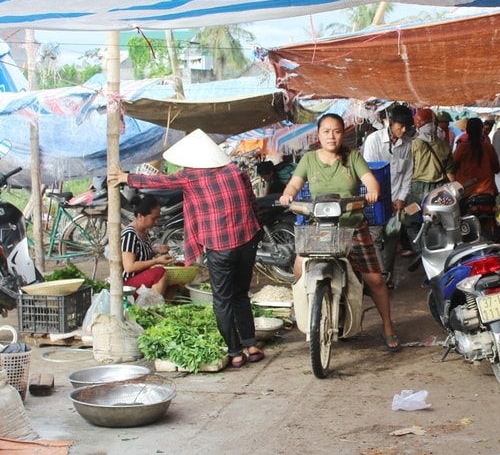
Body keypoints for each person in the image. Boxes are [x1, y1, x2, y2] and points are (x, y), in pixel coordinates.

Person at [110, 129, 265, 369]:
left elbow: (159, 182)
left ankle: (235, 353)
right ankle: (251, 345)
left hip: (219, 245)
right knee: (240, 294)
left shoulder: (191, 176)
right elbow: (252, 201)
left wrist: (126, 177)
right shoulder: (235, 170)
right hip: (247, 239)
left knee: (222, 300)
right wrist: (257, 230)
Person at [279, 113, 401, 352]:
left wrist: (373, 192)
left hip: (353, 226)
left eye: (336, 131)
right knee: (298, 266)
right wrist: (288, 194)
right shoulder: (309, 159)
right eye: (326, 131)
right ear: (319, 134)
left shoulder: (352, 157)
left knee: (375, 280)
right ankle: (305, 310)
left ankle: (388, 326)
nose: (331, 136)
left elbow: (370, 180)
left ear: (342, 133)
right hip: (320, 227)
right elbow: (294, 183)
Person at [361, 104, 414, 290]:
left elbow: (408, 174)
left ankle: (387, 276)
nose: (404, 130)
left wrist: (401, 198)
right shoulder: (373, 141)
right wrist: (381, 198)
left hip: (396, 204)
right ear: (390, 123)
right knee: (374, 239)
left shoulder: (407, 144)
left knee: (391, 240)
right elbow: (369, 173)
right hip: (376, 201)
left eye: (407, 127)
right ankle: (379, 280)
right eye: (400, 126)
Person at [405, 108, 456, 254]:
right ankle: (437, 249)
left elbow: (406, 171)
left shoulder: (412, 145)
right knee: (438, 221)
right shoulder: (444, 145)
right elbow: (450, 173)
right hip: (439, 190)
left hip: (416, 191)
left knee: (412, 221)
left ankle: (420, 251)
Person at [120, 194, 174, 299]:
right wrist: (156, 261)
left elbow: (140, 253)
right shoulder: (130, 234)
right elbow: (129, 267)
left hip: (142, 278)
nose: (156, 221)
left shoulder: (144, 231)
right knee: (159, 272)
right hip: (128, 285)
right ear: (140, 216)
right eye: (153, 218)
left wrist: (156, 250)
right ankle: (153, 307)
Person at [453, 117, 500, 196]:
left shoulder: (462, 147)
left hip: (466, 191)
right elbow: (497, 169)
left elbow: (453, 166)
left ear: (467, 130)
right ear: (481, 130)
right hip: (487, 191)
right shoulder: (488, 147)